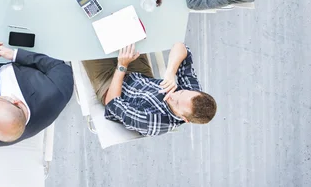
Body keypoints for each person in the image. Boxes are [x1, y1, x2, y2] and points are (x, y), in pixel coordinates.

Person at [82, 42, 216, 136]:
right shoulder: (192, 95)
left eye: (176, 103)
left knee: (89, 41)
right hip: (139, 74)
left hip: (111, 86)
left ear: (184, 119)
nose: (172, 96)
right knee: (127, 27)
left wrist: (122, 66)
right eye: (180, 92)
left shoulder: (151, 121)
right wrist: (170, 73)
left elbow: (111, 103)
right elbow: (181, 47)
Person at [0, 42, 73, 147]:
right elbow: (58, 67)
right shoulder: (56, 93)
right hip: (32, 50)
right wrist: (15, 55)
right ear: (16, 102)